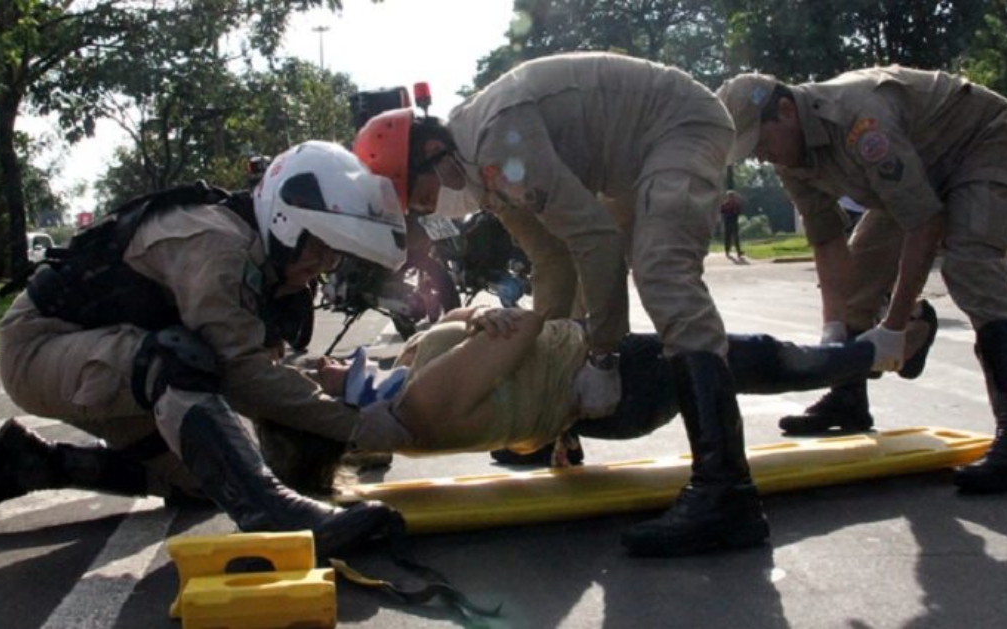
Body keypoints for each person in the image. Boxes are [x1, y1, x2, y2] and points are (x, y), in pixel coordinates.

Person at [352, 51, 765, 556]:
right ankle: (581, 436)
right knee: (597, 258)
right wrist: (551, 368)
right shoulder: (481, 171)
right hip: (636, 157)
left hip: (679, 125)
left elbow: (596, 242)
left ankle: (727, 491)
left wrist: (602, 358)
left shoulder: (495, 146)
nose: (424, 210)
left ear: (435, 153)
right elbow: (551, 258)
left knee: (662, 272)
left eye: (418, 196)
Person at [0, 141, 410, 555]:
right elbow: (243, 376)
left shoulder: (259, 256)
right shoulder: (219, 244)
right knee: (178, 360)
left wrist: (329, 385)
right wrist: (367, 426)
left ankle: (30, 463)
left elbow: (258, 361)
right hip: (41, 346)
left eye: (334, 254)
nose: (323, 265)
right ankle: (273, 516)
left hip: (109, 354)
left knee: (203, 481)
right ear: (286, 220)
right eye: (318, 245)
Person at [717, 66, 1007, 493]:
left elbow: (924, 222)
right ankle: (848, 397)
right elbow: (826, 240)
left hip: (979, 141)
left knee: (969, 267)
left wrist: (893, 326)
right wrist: (834, 331)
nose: (762, 157)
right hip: (912, 170)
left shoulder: (860, 120)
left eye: (761, 143)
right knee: (857, 279)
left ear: (786, 110)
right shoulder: (791, 156)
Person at [283, 301, 936, 479]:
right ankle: (881, 350)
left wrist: (476, 314)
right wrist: (485, 316)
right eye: (318, 375)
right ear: (338, 409)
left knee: (752, 361)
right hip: (621, 382)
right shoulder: (416, 403)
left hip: (600, 388)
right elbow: (519, 327)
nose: (321, 362)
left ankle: (872, 353)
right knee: (754, 360)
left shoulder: (402, 390)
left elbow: (487, 325)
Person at [720, 190, 745, 258]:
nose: (731, 198)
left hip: (732, 221)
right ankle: (728, 250)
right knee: (728, 237)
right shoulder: (725, 204)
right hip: (728, 222)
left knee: (735, 237)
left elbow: (738, 212)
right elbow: (722, 212)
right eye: (730, 196)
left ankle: (737, 251)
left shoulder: (735, 204)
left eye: (732, 196)